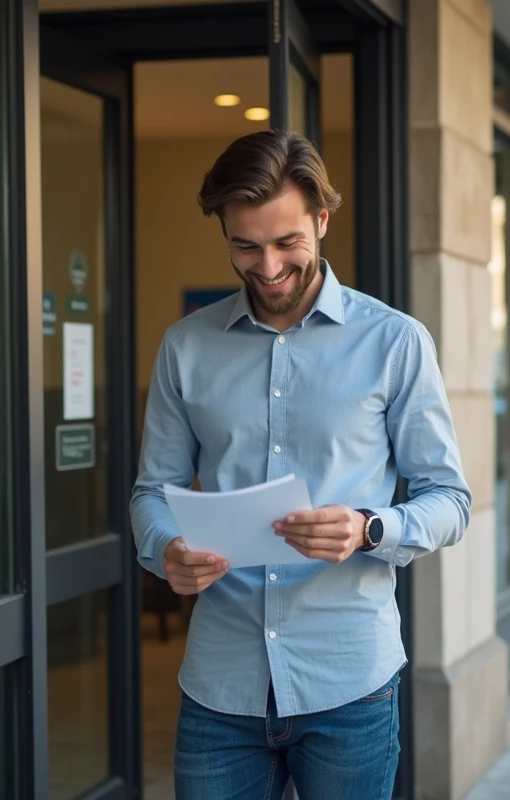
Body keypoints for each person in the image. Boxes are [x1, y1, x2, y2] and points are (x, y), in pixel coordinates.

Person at [130, 129, 471, 800]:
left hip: (349, 685)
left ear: (321, 218)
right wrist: (165, 547)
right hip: (219, 688)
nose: (267, 266)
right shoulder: (185, 347)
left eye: (287, 242)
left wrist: (370, 529)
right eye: (245, 245)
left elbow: (449, 500)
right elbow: (152, 492)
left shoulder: (395, 342)